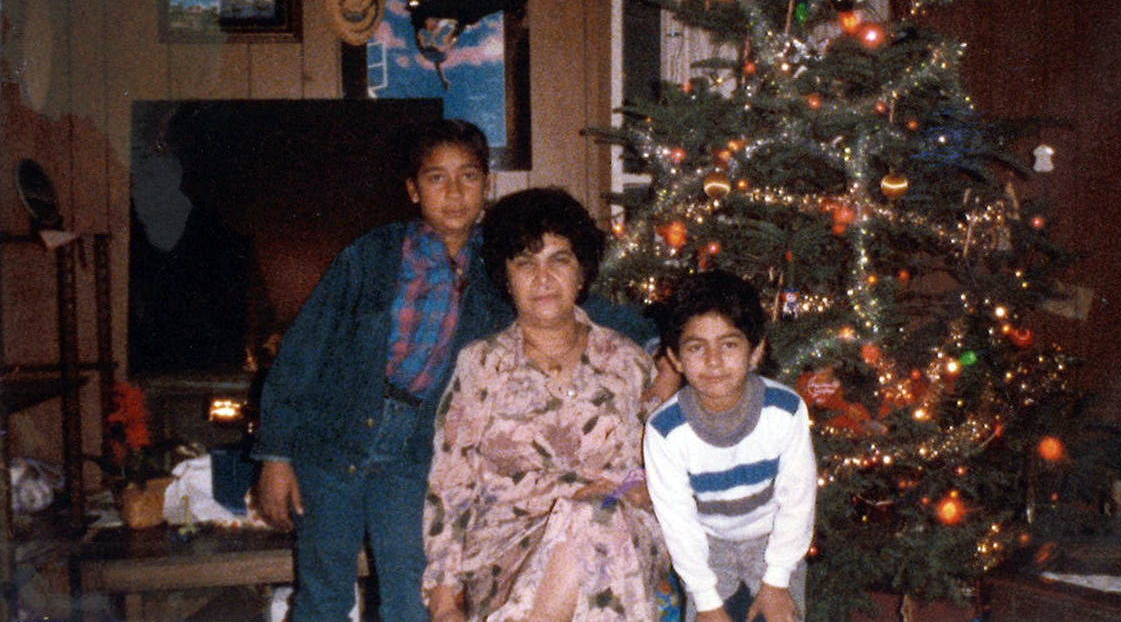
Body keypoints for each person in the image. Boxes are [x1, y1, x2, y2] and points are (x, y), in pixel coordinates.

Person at [252, 122, 660, 622]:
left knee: (409, 598)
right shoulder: (373, 255)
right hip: (336, 437)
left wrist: (657, 347)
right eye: (436, 178)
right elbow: (303, 351)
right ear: (412, 189)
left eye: (468, 177)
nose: (453, 193)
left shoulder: (496, 260)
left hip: (413, 453)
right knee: (324, 595)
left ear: (487, 184)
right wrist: (277, 453)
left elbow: (572, 300)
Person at [423, 187, 673, 622]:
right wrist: (444, 601)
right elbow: (451, 481)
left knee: (596, 520)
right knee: (593, 528)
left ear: (581, 272)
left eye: (559, 259)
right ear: (507, 277)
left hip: (622, 536)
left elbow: (666, 465)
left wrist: (629, 493)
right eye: (526, 262)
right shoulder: (482, 364)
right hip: (510, 552)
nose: (543, 277)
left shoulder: (627, 361)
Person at [643, 271, 817, 622]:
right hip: (707, 546)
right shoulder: (665, 430)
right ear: (676, 358)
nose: (713, 360)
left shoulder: (785, 410)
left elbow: (798, 500)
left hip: (773, 539)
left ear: (756, 351)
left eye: (729, 344)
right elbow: (679, 523)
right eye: (696, 347)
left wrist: (777, 579)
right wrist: (706, 601)